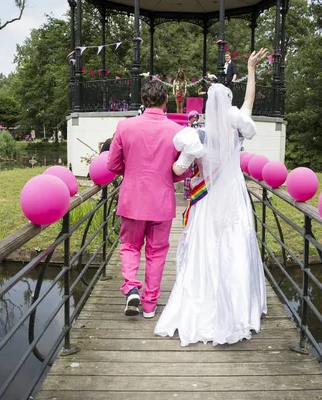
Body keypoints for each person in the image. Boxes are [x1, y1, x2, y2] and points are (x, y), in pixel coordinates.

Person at [154, 48, 270, 346]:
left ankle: (203, 302)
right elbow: (249, 103)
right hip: (234, 197)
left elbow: (179, 167)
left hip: (206, 200)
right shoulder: (238, 130)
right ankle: (240, 306)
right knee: (236, 244)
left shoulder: (196, 136)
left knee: (205, 247)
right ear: (228, 106)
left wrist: (173, 168)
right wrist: (252, 70)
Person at [107, 81, 190, 318]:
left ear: (143, 101)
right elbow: (181, 170)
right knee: (157, 252)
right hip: (162, 201)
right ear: (166, 101)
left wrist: (132, 172)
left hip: (132, 199)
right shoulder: (177, 131)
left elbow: (112, 165)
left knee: (130, 246)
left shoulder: (124, 127)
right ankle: (150, 304)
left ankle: (131, 286)